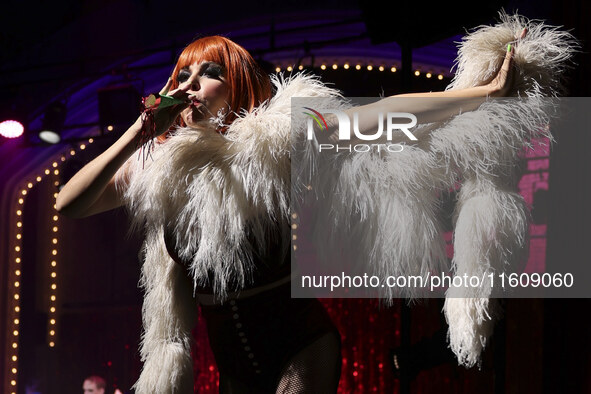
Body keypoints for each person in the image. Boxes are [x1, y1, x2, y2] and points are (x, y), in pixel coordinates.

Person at [57, 22, 540, 393]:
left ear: (239, 85)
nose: (192, 83)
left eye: (210, 73)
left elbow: (385, 116)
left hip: (300, 346)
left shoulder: (276, 138)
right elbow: (70, 203)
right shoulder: (159, 164)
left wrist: (482, 93)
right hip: (231, 364)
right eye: (182, 74)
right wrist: (139, 132)